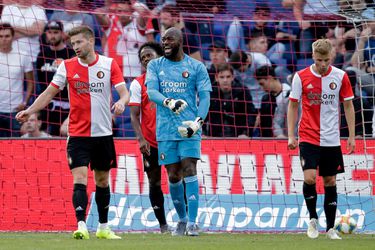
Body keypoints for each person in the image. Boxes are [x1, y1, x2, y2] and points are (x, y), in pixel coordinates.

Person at [16, 25, 129, 240]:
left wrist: (122, 103)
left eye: (78, 42)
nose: (75, 47)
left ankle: (104, 227)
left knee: (103, 181)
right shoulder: (67, 66)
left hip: (103, 134)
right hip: (77, 135)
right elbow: (49, 93)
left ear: (90, 41)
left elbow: (123, 93)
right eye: (73, 43)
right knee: (80, 179)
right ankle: (81, 225)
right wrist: (29, 110)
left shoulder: (108, 64)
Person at [287, 39, 355, 240]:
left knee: (330, 180)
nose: (323, 64)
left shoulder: (341, 76)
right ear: (312, 57)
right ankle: (313, 219)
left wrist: (351, 136)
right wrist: (291, 135)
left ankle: (331, 228)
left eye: (326, 60)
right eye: (319, 60)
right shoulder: (301, 77)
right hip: (308, 136)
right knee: (309, 178)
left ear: (331, 57)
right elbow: (292, 106)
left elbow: (348, 106)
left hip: (332, 138)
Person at [146, 27, 211, 236]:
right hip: (165, 129)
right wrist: (168, 101)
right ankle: (182, 219)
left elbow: (205, 97)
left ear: (180, 42)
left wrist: (198, 122)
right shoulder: (155, 65)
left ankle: (193, 222)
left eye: (169, 39)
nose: (165, 43)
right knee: (173, 176)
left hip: (189, 128)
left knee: (189, 168)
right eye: (163, 40)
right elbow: (152, 91)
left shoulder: (196, 67)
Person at [128, 41, 170, 233]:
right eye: (142, 57)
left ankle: (186, 220)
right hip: (151, 143)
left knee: (179, 178)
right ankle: (163, 225)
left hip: (172, 139)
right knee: (154, 182)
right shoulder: (137, 83)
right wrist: (141, 139)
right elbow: (134, 115)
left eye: (149, 55)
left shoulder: (172, 78)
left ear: (159, 57)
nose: (145, 59)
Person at [36, 20, 75, 136]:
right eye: (49, 32)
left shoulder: (71, 53)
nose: (52, 35)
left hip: (67, 106)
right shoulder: (42, 54)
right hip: (48, 105)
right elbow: (41, 81)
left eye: (56, 32)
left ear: (62, 34)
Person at [0, 23, 34, 137]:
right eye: (1, 36)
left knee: (15, 147)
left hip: (15, 110)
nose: (4, 39)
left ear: (13, 37)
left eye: (7, 36)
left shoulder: (23, 55)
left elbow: (30, 81)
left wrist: (25, 102)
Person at [205, 63, 256, 137]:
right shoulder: (209, 93)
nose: (225, 80)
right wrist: (202, 133)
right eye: (222, 77)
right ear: (216, 78)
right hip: (215, 136)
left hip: (238, 136)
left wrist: (245, 133)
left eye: (228, 77)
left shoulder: (242, 91)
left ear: (232, 77)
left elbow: (251, 113)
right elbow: (202, 115)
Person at [255, 65, 291, 138]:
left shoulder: (290, 94)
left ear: (270, 78)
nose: (262, 88)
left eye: (262, 84)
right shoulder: (266, 99)